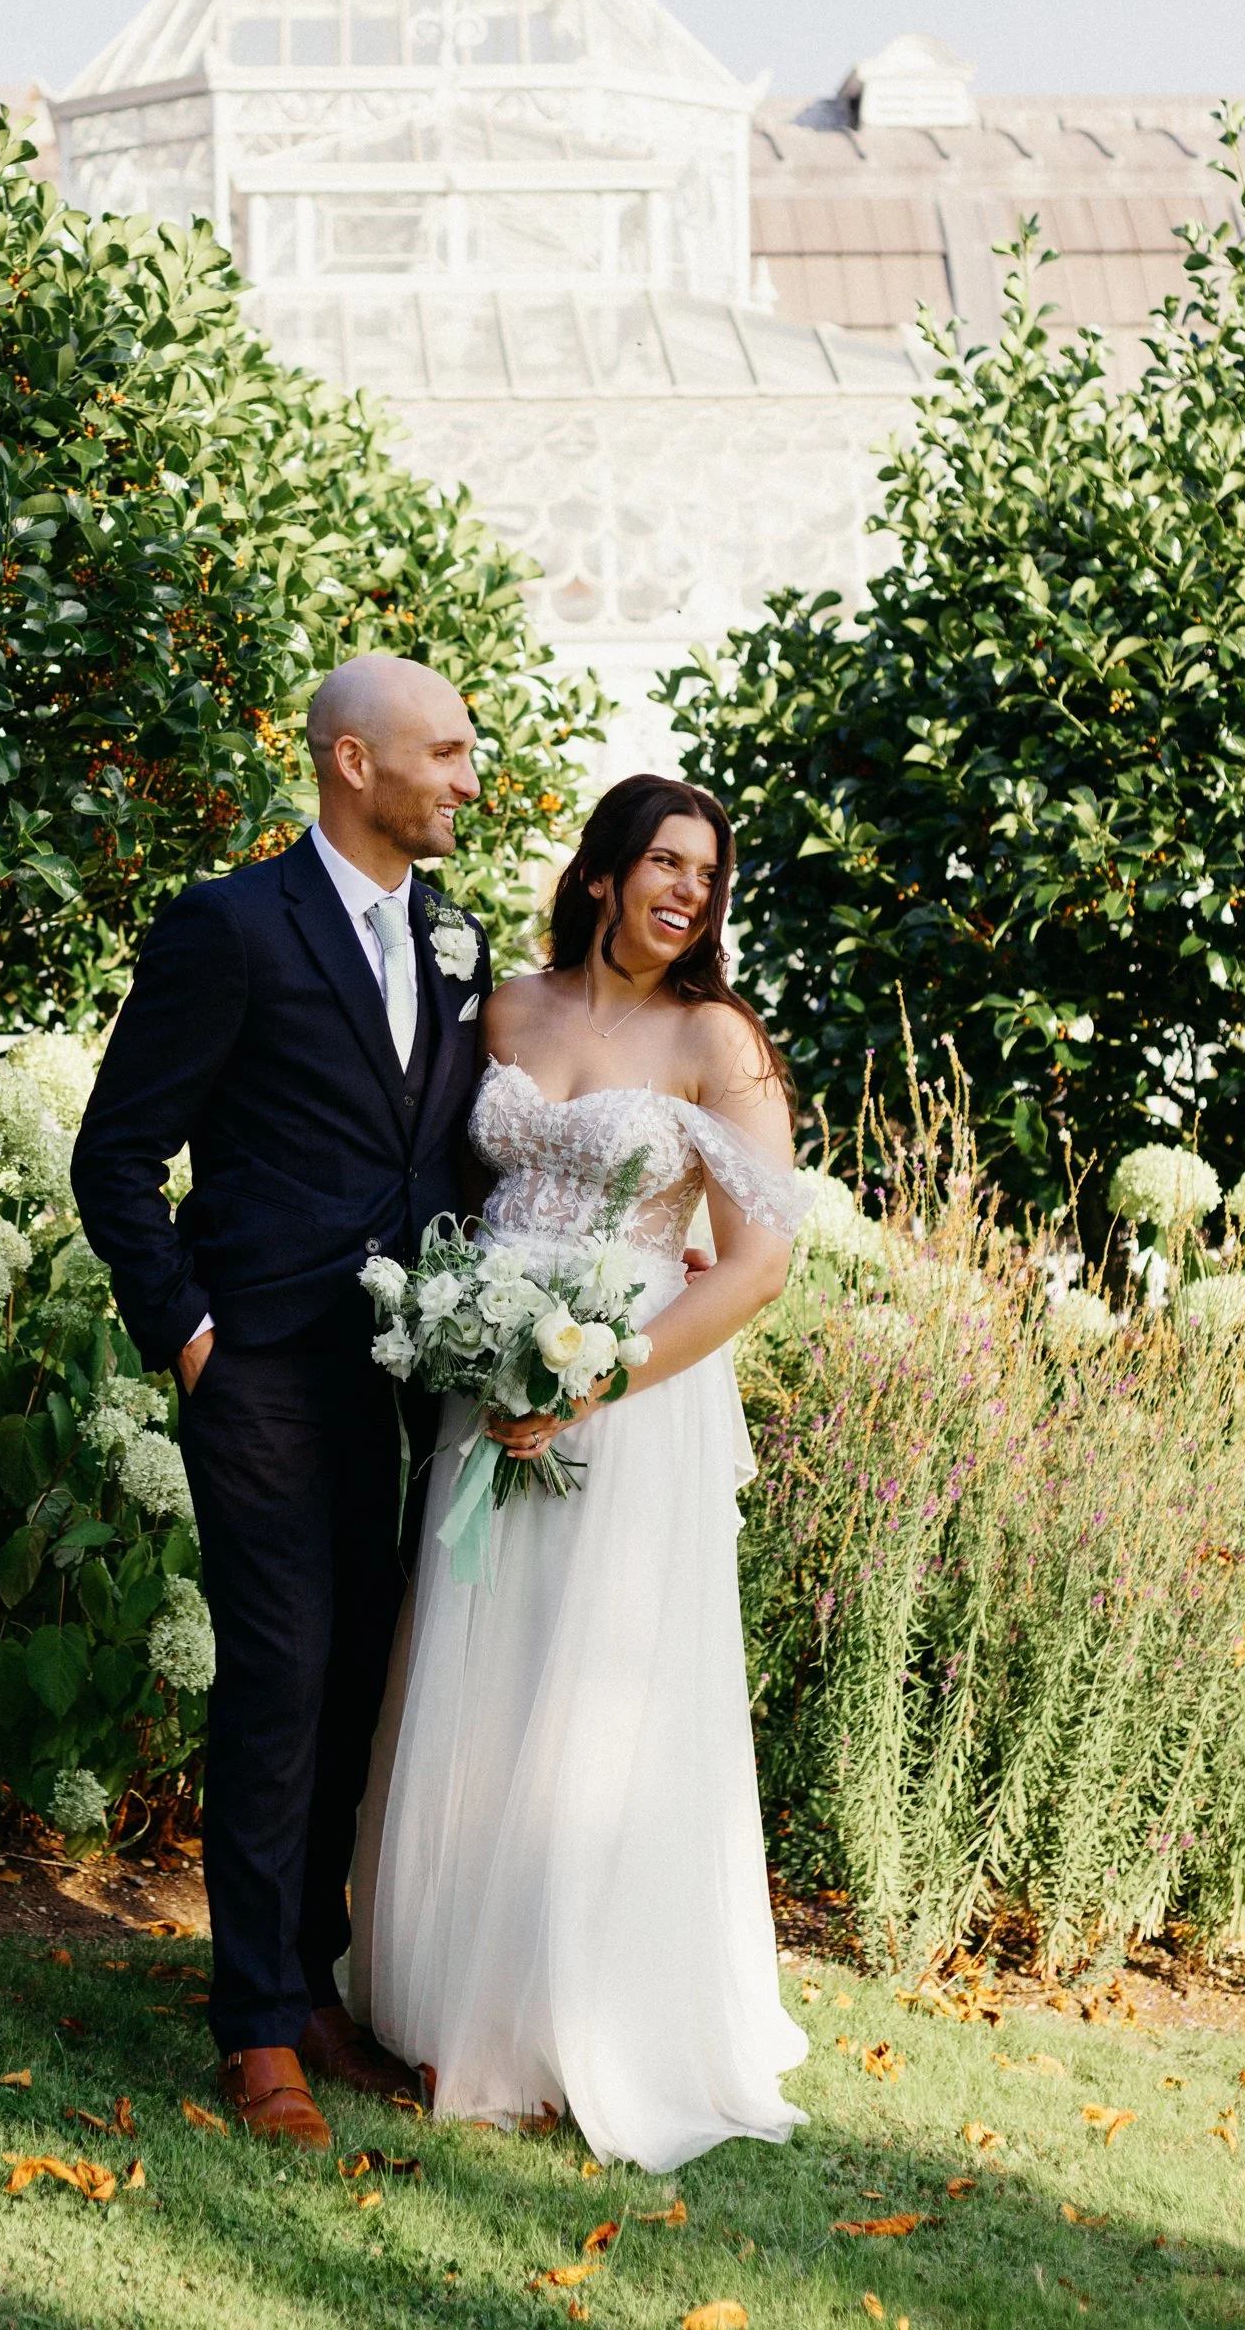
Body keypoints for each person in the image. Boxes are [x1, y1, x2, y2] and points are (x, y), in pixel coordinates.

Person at [349, 773, 811, 2171]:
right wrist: (466, 1339)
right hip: (484, 1387)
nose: (688, 891)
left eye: (709, 877)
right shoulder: (507, 1007)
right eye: (664, 862)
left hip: (627, 1397)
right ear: (605, 872)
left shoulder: (715, 1040)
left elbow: (759, 1260)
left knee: (591, 1703)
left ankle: (576, 2017)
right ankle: (442, 1992)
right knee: (472, 1677)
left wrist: (605, 1373)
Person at [71, 653, 492, 2149]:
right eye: (443, 751)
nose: (469, 772)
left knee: (359, 1670)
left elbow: (436, 1161)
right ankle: (255, 2028)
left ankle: (309, 1984)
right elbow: (115, 1157)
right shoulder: (230, 926)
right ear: (351, 764)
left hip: (391, 1382)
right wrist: (188, 1335)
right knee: (281, 1673)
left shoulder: (454, 938)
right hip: (251, 1365)